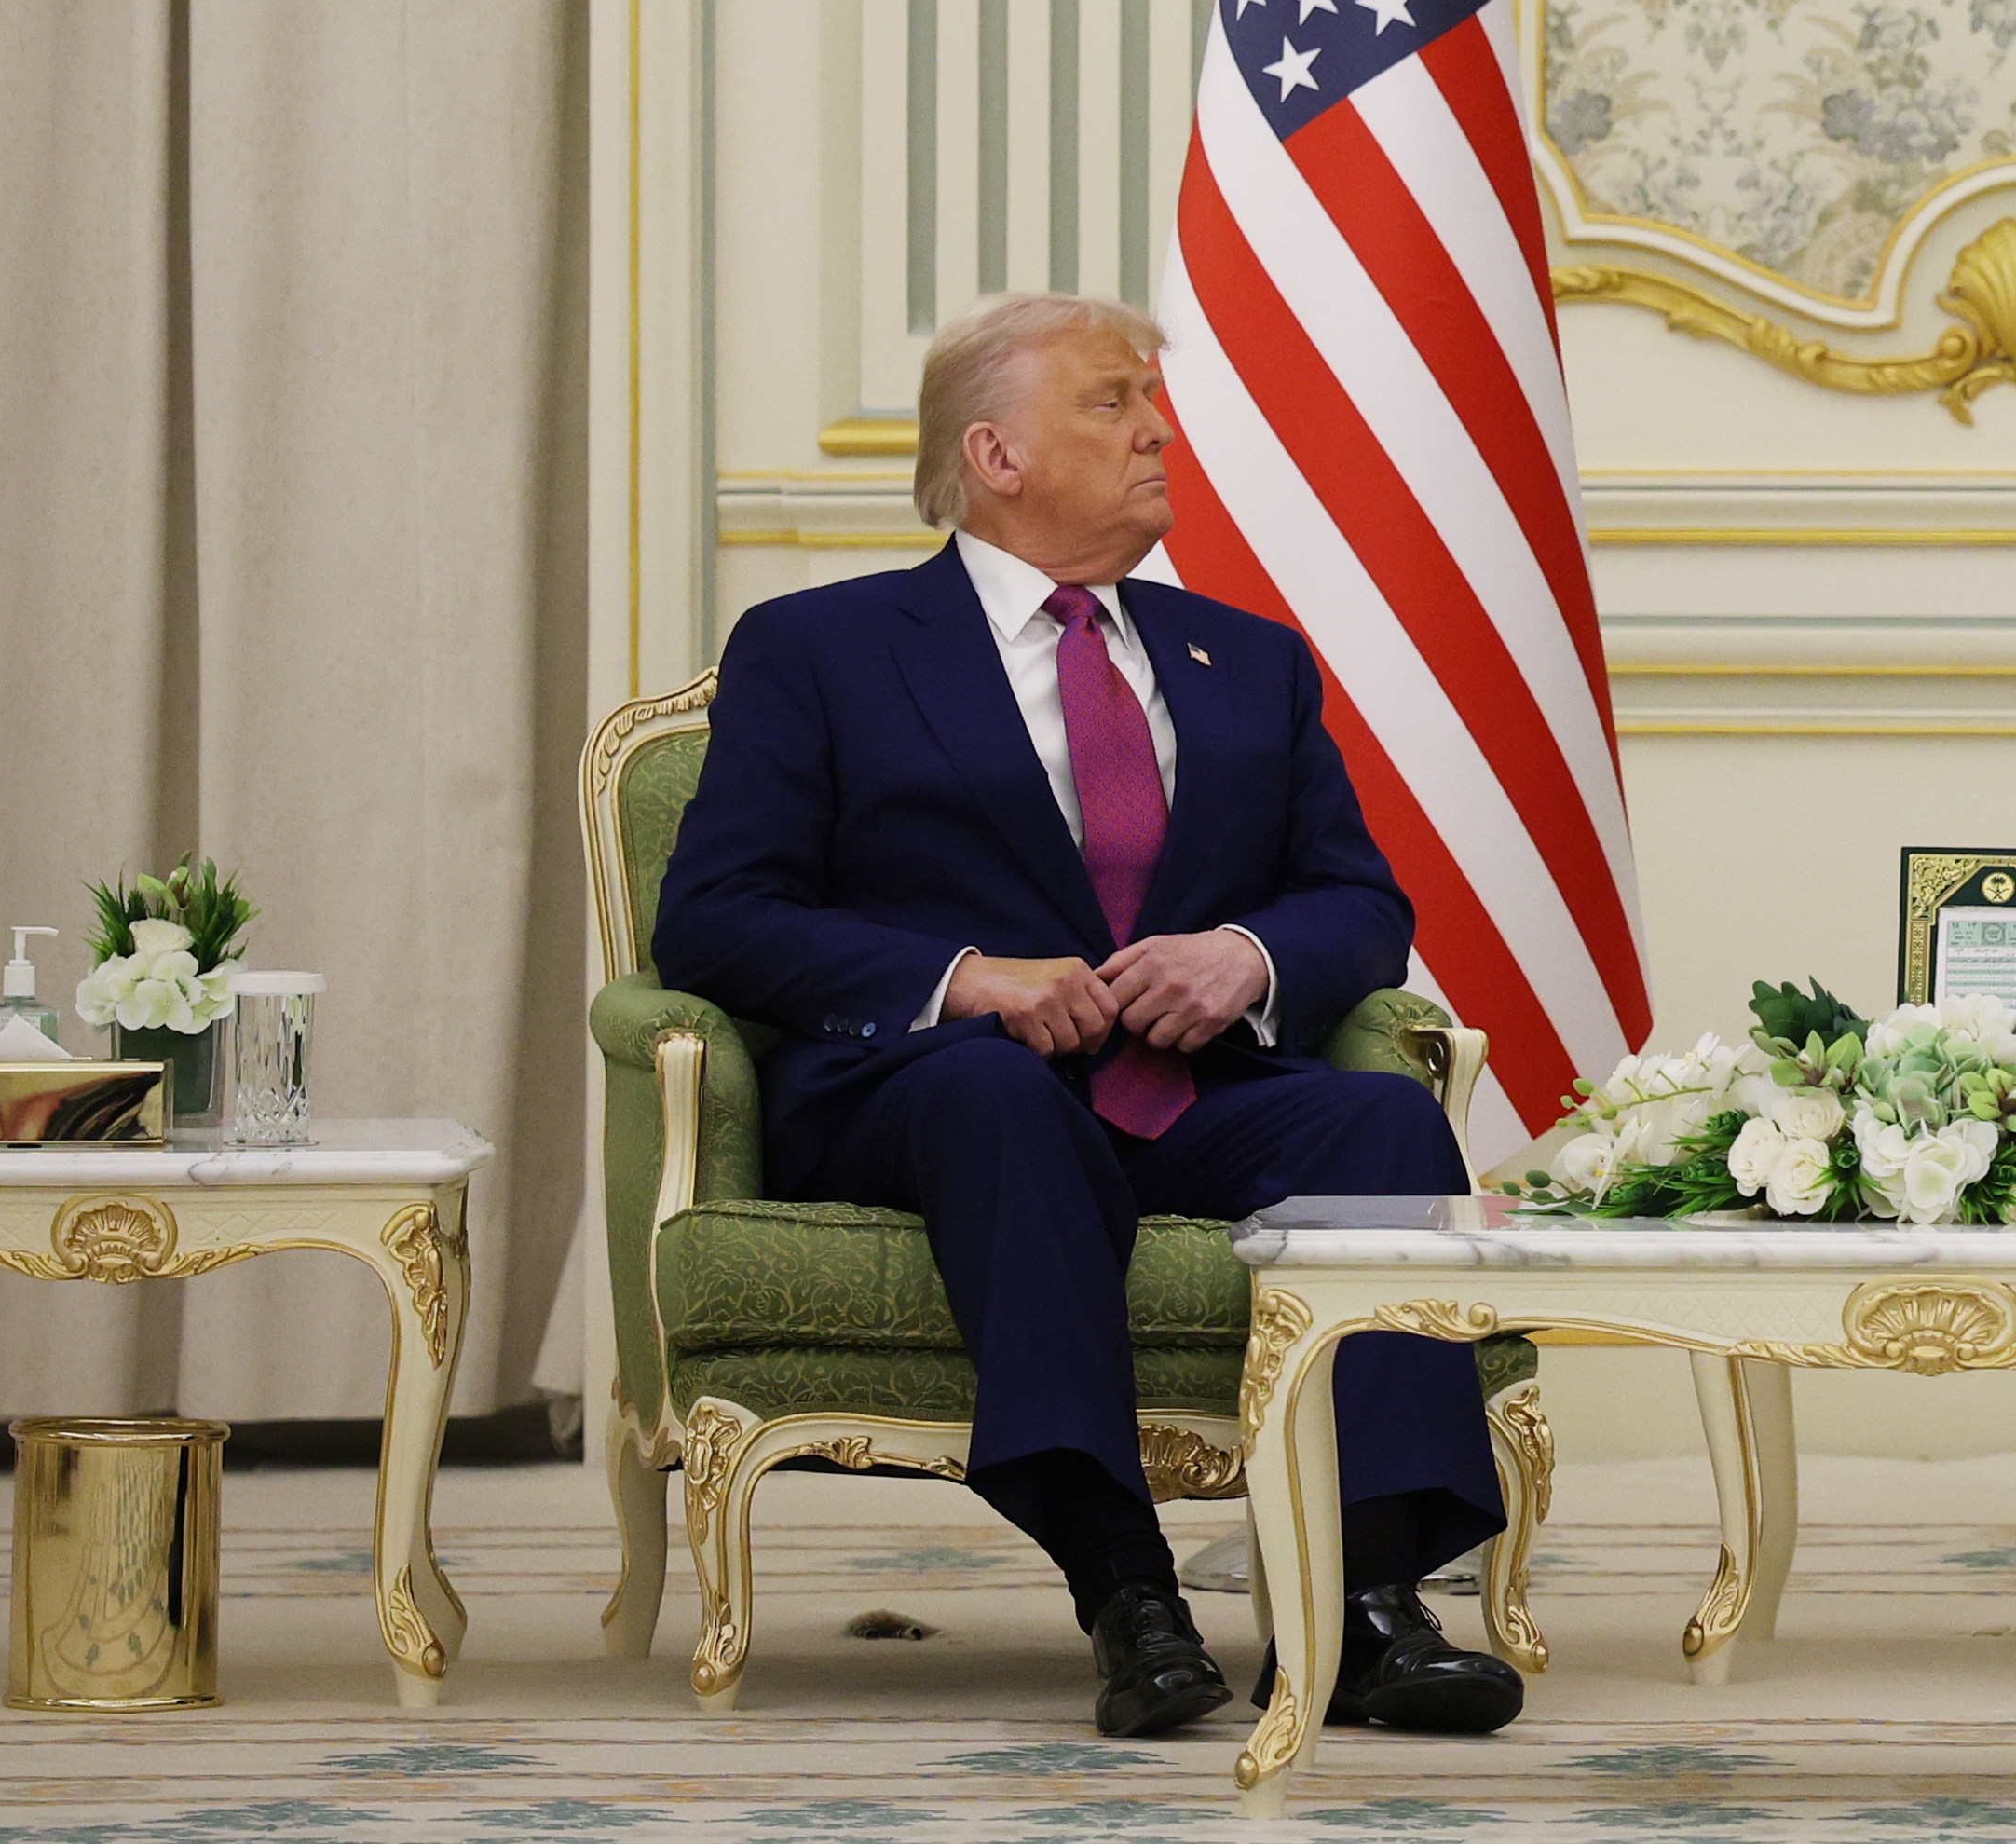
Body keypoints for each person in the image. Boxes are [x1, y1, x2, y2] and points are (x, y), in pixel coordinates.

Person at [650, 292, 1519, 1743]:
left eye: (1151, 402)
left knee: (1381, 1114)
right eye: (1112, 403)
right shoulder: (821, 647)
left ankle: (1373, 1611)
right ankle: (1127, 1585)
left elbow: (1359, 902)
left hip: (1187, 1095)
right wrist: (965, 980)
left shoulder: (1246, 658)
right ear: (994, 452)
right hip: (935, 1098)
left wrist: (1245, 953)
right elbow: (720, 917)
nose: (1157, 430)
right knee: (994, 1096)